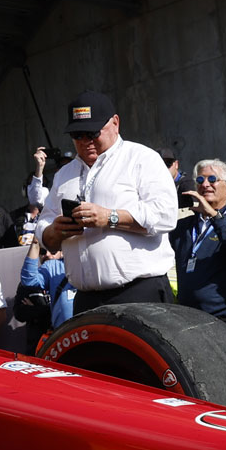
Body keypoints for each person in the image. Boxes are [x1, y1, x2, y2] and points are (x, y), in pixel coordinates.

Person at [35, 91, 180, 314]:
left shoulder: (141, 158)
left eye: (93, 133)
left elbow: (165, 215)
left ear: (115, 123)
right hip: (86, 299)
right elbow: (43, 224)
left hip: (138, 292)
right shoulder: (64, 174)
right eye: (77, 135)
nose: (86, 142)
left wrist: (110, 217)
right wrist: (54, 232)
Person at [173, 158, 226, 340]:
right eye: (200, 181)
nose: (206, 185)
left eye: (212, 179)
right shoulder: (184, 225)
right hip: (189, 319)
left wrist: (213, 216)